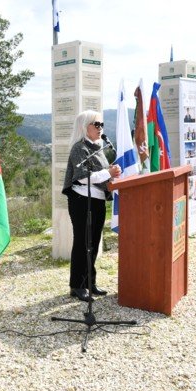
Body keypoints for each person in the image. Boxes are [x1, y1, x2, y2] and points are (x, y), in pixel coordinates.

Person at [62, 110, 121, 302]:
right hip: (81, 201)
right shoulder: (80, 148)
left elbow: (102, 174)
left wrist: (113, 173)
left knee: (94, 243)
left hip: (97, 200)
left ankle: (89, 282)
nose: (100, 128)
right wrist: (107, 172)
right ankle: (77, 286)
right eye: (96, 124)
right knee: (83, 243)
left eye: (102, 124)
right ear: (84, 126)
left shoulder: (98, 147)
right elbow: (82, 178)